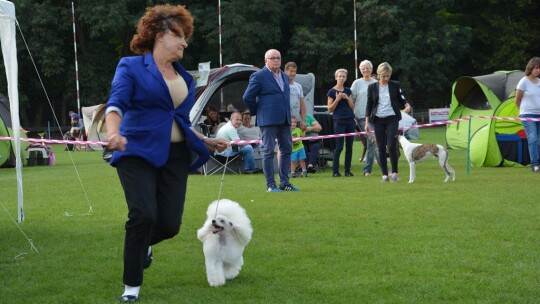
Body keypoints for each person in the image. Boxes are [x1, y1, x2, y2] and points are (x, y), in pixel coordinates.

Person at [104, 5, 228, 302]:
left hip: (174, 155)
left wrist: (206, 141)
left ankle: (143, 245)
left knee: (170, 225)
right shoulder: (131, 66)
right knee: (143, 214)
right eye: (180, 36)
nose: (185, 43)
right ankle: (131, 287)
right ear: (161, 35)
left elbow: (179, 121)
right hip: (135, 150)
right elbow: (115, 104)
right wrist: (113, 133)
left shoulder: (185, 79)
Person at [243, 49, 299, 192]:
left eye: (278, 58)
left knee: (287, 149)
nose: (276, 61)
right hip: (267, 120)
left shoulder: (285, 77)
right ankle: (270, 184)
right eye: (272, 58)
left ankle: (285, 183)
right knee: (268, 151)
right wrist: (258, 111)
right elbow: (247, 97)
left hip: (285, 119)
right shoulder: (259, 76)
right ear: (265, 60)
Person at [365, 62, 412, 182]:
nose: (386, 78)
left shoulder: (395, 85)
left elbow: (402, 98)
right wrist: (366, 122)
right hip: (378, 119)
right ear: (379, 75)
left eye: (388, 75)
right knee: (380, 147)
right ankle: (385, 175)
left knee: (391, 145)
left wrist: (407, 105)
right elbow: (369, 105)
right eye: (383, 76)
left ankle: (395, 173)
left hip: (392, 118)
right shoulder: (372, 87)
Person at [351, 60, 379, 176]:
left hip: (376, 116)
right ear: (360, 70)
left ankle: (367, 170)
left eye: (367, 68)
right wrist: (352, 115)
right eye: (363, 68)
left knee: (370, 143)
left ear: (371, 69)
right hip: (362, 117)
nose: (365, 70)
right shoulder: (357, 83)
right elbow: (351, 99)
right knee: (374, 140)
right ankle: (385, 168)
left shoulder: (377, 82)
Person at [327, 68, 355, 177]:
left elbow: (353, 107)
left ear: (346, 78)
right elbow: (329, 109)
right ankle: (335, 171)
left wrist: (347, 98)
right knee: (339, 147)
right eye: (340, 76)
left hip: (350, 120)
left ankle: (347, 170)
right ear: (336, 77)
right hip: (339, 121)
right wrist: (337, 99)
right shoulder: (331, 91)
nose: (341, 78)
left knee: (349, 147)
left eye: (343, 76)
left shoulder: (348, 91)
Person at [515, 57, 540, 173]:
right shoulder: (523, 81)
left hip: (539, 115)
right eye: (536, 68)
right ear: (530, 68)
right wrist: (523, 111)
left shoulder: (539, 82)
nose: (538, 70)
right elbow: (517, 100)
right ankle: (534, 165)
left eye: (539, 68)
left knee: (538, 140)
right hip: (527, 114)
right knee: (533, 138)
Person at [284, 62, 307, 129]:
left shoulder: (298, 86)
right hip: (285, 121)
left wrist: (303, 120)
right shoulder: (281, 85)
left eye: (295, 71)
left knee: (298, 139)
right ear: (285, 71)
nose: (293, 73)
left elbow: (302, 105)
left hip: (296, 121)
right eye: (291, 71)